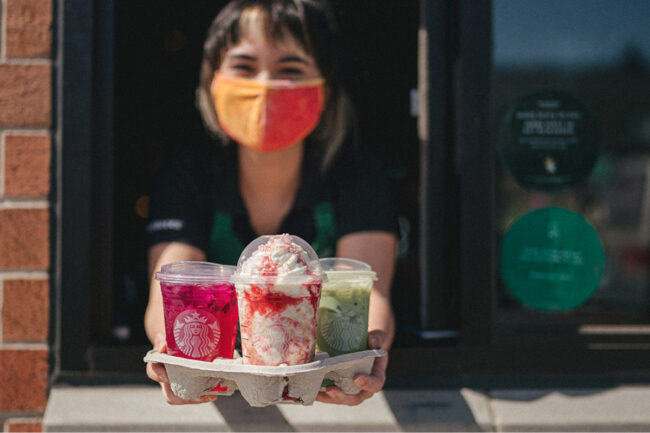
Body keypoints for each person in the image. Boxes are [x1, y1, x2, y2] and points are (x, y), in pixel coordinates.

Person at [144, 0, 398, 406]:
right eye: (244, 67)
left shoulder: (359, 176)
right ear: (213, 80)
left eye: (291, 69)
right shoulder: (188, 175)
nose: (265, 85)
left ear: (325, 90)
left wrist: (368, 352)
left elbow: (370, 293)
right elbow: (171, 285)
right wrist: (169, 348)